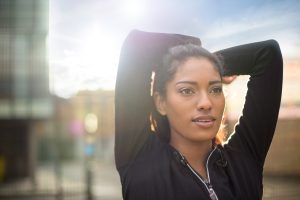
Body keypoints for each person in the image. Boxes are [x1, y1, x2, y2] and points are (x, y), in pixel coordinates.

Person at [115, 30, 283, 200]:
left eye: (215, 89)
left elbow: (268, 53)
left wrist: (205, 62)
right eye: (187, 90)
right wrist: (193, 50)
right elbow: (136, 44)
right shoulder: (139, 160)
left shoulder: (243, 159)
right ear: (161, 103)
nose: (206, 103)